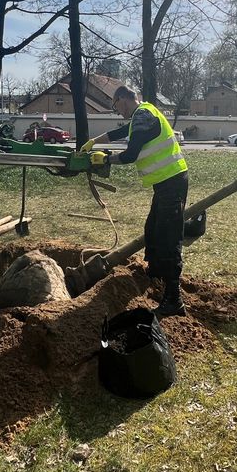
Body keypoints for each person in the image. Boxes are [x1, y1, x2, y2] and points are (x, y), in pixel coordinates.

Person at [82, 86, 189, 316]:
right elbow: (121, 131)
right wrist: (94, 141)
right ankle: (154, 275)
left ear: (122, 99)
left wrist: (106, 159)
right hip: (165, 183)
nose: (116, 110)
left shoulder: (142, 116)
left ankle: (174, 299)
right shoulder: (143, 115)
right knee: (152, 230)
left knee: (169, 238)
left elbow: (130, 155)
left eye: (115, 105)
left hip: (172, 182)